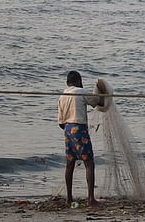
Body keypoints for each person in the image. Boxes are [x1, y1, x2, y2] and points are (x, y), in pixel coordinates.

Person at [58, 70, 104, 207]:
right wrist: (102, 90)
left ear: (67, 82)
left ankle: (69, 199)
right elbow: (98, 102)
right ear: (78, 81)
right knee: (89, 162)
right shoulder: (80, 91)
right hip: (79, 129)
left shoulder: (62, 96)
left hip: (67, 130)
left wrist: (70, 129)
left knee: (70, 164)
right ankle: (91, 199)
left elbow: (61, 122)